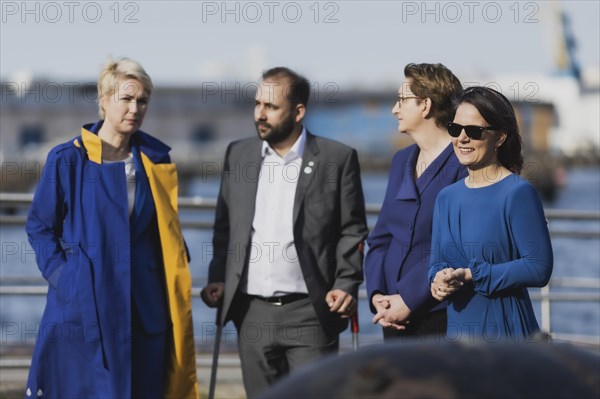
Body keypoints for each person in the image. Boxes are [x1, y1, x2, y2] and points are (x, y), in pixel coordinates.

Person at [25, 58, 198, 398]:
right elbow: (40, 226)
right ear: (104, 100)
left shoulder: (156, 161)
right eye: (126, 99)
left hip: (144, 308)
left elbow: (165, 232)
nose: (135, 108)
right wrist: (64, 276)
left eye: (143, 100)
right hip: (84, 304)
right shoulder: (67, 160)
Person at [201, 66, 368, 397]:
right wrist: (218, 277)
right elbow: (225, 229)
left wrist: (346, 282)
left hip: (311, 313)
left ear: (298, 111)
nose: (260, 114)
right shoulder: (239, 153)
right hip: (251, 314)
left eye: (271, 107)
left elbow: (352, 230)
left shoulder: (336, 159)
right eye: (257, 104)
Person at [428, 86, 553, 340]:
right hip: (458, 337)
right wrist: (438, 280)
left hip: (507, 336)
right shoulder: (446, 198)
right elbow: (436, 264)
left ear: (500, 138)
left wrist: (473, 274)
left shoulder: (517, 193)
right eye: (455, 129)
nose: (462, 138)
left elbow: (539, 267)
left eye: (473, 131)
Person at [365, 63, 466, 340]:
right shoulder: (401, 161)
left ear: (426, 106)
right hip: (391, 314)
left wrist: (408, 300)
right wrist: (377, 294)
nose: (394, 109)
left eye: (401, 101)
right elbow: (381, 237)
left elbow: (456, 245)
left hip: (440, 314)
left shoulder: (463, 163)